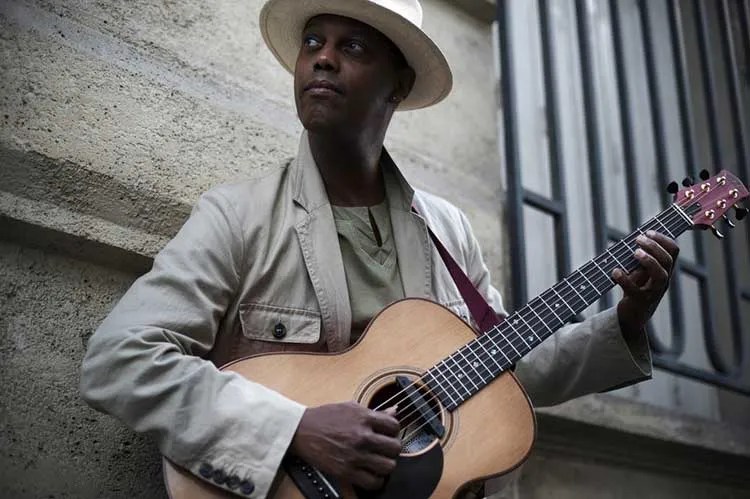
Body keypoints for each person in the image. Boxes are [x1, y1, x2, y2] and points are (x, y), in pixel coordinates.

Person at [79, 0, 679, 497]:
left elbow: (502, 371)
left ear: (398, 85)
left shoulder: (448, 230)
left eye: (354, 48)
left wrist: (628, 318)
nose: (323, 58)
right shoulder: (239, 217)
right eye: (313, 41)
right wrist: (293, 429)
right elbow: (120, 359)